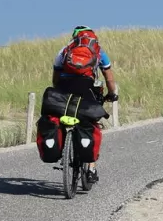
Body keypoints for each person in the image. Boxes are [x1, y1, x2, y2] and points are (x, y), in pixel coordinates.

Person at [50, 25, 117, 185]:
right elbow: (108, 76)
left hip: (65, 87)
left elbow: (55, 77)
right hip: (87, 87)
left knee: (59, 117)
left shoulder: (64, 50)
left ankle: (63, 147)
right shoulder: (99, 51)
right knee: (91, 121)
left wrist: (58, 91)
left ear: (75, 38)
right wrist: (112, 93)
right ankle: (91, 168)